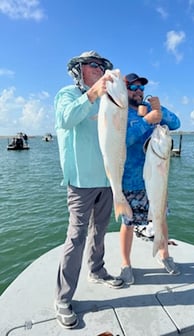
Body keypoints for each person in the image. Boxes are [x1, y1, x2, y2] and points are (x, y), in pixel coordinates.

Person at [54, 50, 124, 329]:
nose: (98, 68)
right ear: (79, 70)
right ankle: (62, 298)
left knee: (100, 230)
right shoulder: (67, 94)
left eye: (101, 65)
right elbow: (65, 120)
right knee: (76, 236)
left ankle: (97, 270)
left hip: (107, 180)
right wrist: (92, 94)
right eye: (92, 65)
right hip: (81, 182)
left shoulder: (108, 98)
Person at [119, 73, 181, 285]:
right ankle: (126, 264)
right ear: (124, 89)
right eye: (133, 87)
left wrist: (159, 110)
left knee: (161, 217)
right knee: (128, 223)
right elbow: (123, 140)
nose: (138, 91)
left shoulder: (151, 108)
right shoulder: (120, 112)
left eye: (141, 88)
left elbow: (175, 123)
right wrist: (146, 121)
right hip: (131, 180)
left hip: (156, 179)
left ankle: (164, 255)